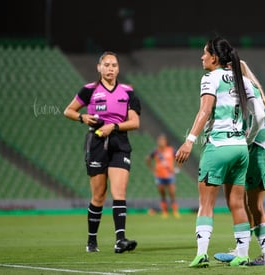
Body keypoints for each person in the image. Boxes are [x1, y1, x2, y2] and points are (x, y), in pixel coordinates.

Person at [175, 37, 265, 268]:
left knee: (205, 203)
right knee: (237, 204)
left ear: (214, 58)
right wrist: (249, 139)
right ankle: (243, 255)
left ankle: (201, 254)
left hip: (217, 147)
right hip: (239, 148)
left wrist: (189, 141)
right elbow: (261, 115)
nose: (202, 57)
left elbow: (204, 111)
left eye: (205, 53)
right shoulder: (242, 80)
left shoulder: (210, 77)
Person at [63, 51, 141, 253]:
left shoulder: (128, 91)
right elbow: (68, 110)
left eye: (114, 65)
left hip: (119, 142)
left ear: (118, 68)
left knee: (119, 192)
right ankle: (91, 241)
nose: (110, 68)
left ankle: (120, 240)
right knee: (98, 195)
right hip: (96, 142)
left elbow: (134, 122)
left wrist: (113, 127)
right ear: (99, 67)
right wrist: (83, 118)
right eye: (106, 65)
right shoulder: (89, 90)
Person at [213, 60, 265, 266]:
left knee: (254, 205)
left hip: (259, 149)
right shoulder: (249, 91)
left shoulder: (247, 92)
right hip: (258, 148)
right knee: (245, 203)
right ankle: (242, 249)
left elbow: (256, 121)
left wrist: (245, 141)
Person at [145, 134, 180, 218]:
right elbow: (147, 159)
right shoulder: (156, 151)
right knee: (162, 194)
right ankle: (165, 212)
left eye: (163, 140)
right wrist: (153, 170)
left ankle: (175, 211)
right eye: (160, 140)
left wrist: (176, 168)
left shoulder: (171, 150)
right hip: (159, 176)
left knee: (172, 193)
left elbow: (179, 158)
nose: (161, 142)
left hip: (169, 175)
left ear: (166, 142)